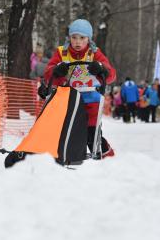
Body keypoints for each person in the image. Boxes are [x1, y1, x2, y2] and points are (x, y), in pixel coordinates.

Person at [42, 19, 117, 158]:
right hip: (67, 99)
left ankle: (106, 153)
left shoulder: (94, 53)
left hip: (90, 100)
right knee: (63, 129)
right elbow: (48, 75)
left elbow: (111, 75)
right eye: (74, 37)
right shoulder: (61, 52)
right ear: (69, 38)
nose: (78, 42)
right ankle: (62, 155)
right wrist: (56, 70)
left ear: (88, 39)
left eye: (82, 38)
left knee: (91, 133)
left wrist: (102, 69)